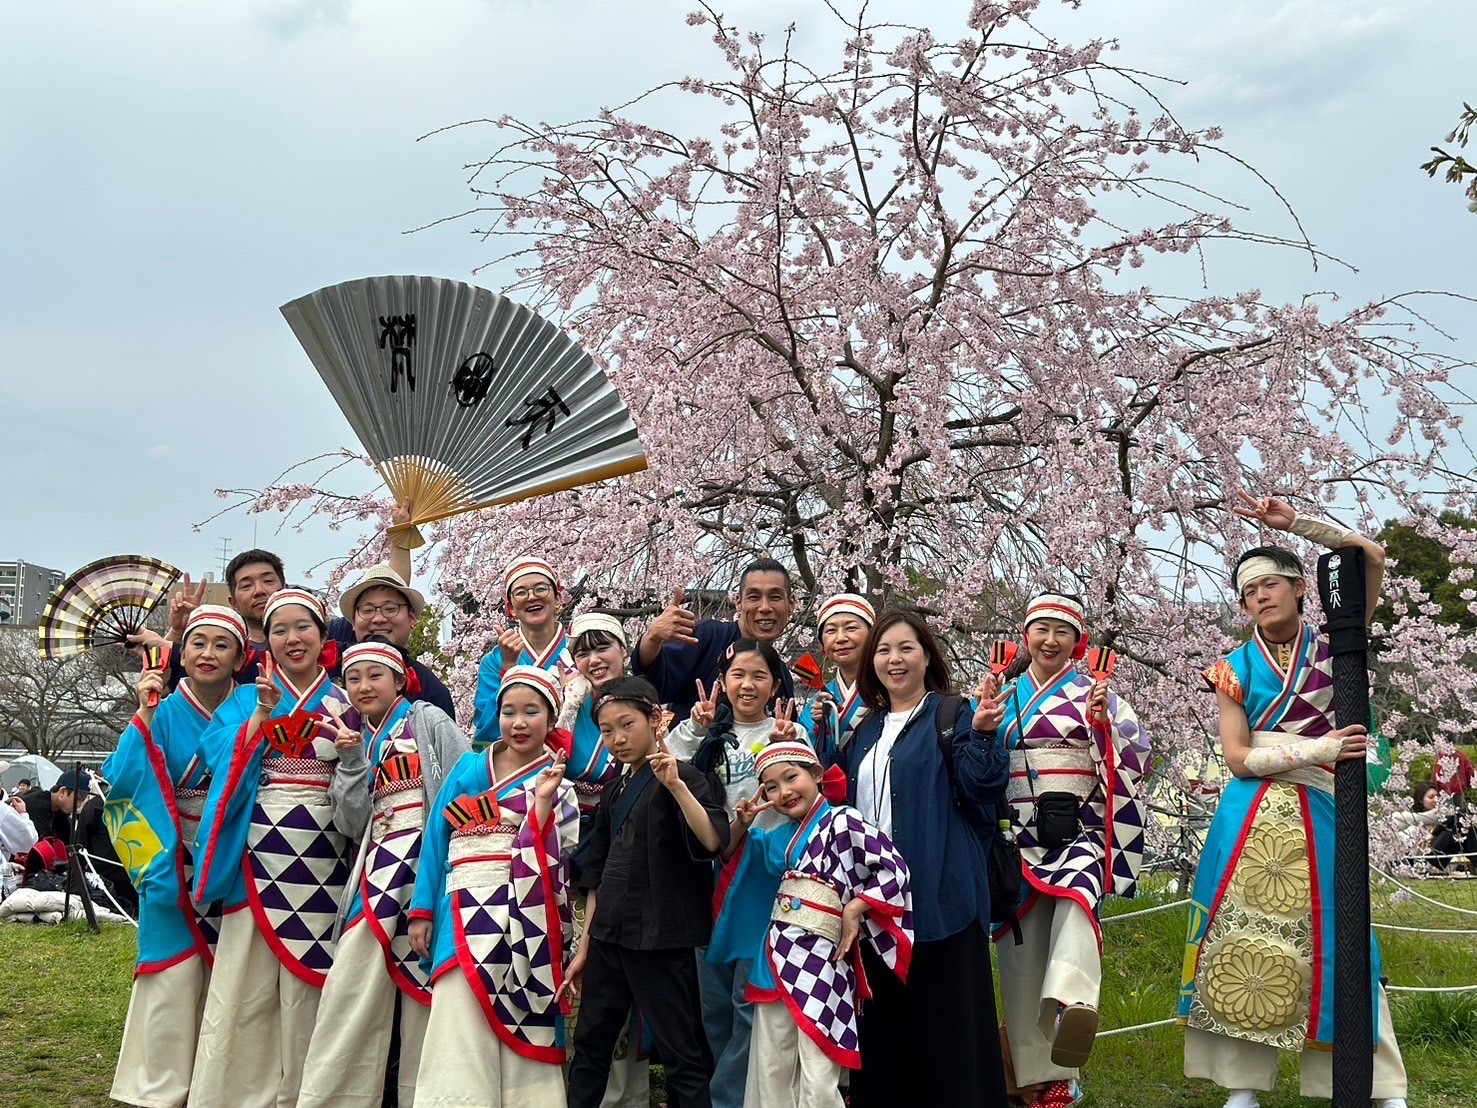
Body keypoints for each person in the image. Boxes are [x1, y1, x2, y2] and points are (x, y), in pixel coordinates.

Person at [1180, 492, 1408, 1108]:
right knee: (1241, 940)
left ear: (1302, 586)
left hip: (1327, 807)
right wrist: (1317, 748)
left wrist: (1297, 524)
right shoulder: (1230, 666)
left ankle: (1378, 1084)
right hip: (1250, 816)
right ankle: (1241, 1087)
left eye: (1273, 583)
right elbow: (1235, 756)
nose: (1261, 596)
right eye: (1250, 590)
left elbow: (1371, 555)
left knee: (1347, 938)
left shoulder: (1341, 642)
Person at [189, 588, 356, 1108]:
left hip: (328, 850)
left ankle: (308, 1095)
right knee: (246, 981)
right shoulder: (246, 697)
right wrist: (260, 716)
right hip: (256, 847)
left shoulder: (346, 698)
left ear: (323, 637)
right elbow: (216, 756)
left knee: (313, 983)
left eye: (302, 627)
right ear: (267, 640)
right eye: (279, 630)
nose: (291, 639)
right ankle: (234, 1095)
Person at [839, 609, 1010, 1108]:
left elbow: (983, 786)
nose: (894, 660)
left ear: (927, 656)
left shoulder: (951, 714)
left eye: (906, 648)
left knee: (954, 1043)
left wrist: (980, 734)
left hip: (941, 899)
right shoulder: (865, 729)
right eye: (884, 651)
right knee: (889, 1047)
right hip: (876, 908)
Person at [991, 592, 1150, 1107]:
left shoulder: (1096, 693)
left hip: (1076, 831)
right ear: (1026, 637)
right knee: (1020, 951)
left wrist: (1103, 724)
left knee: (1080, 898)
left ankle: (1069, 1002)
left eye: (1062, 632)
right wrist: (984, 716)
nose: (1050, 641)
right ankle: (1039, 1079)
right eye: (1042, 630)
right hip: (1017, 833)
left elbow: (1135, 755)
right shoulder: (1005, 693)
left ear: (1078, 644)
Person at [298, 639, 471, 1108]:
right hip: (377, 866)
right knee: (351, 983)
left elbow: (465, 787)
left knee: (423, 994)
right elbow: (350, 823)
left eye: (375, 675)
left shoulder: (428, 720)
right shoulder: (353, 736)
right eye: (353, 678)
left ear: (399, 680)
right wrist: (351, 760)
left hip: (428, 861)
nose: (363, 686)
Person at [405, 664, 580, 1106]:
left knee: (524, 1016)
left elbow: (559, 859)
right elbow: (436, 841)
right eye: (508, 711)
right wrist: (422, 909)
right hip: (459, 910)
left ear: (551, 717)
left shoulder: (560, 785)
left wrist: (540, 807)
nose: (518, 723)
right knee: (457, 1015)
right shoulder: (468, 767)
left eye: (531, 712)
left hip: (526, 919)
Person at [103, 605, 248, 1107]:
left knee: (233, 973)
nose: (208, 653)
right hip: (170, 852)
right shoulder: (160, 708)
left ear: (239, 658)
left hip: (232, 851)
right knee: (173, 971)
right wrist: (144, 712)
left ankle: (219, 1088)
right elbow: (123, 781)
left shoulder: (252, 705)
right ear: (180, 654)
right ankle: (160, 1089)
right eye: (197, 643)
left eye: (221, 645)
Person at [564, 676, 731, 1108]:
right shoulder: (614, 790)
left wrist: (675, 785)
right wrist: (586, 944)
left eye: (627, 724)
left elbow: (713, 841)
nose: (617, 739)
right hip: (609, 935)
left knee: (681, 1051)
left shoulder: (689, 778)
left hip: (660, 937)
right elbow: (596, 872)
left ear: (655, 720)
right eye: (606, 730)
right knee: (591, 1044)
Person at [736, 740, 913, 1108]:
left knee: (819, 1066)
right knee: (771, 1062)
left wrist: (854, 909)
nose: (783, 791)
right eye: (771, 786)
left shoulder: (844, 820)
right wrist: (743, 824)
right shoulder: (777, 837)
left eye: (791, 777)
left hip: (823, 960)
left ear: (817, 774)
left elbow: (895, 871)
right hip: (774, 954)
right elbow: (737, 866)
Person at [665, 640, 796, 1108]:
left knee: (748, 994)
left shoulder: (787, 732)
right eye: (738, 674)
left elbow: (808, 791)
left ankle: (731, 1098)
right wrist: (696, 728)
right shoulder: (706, 735)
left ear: (775, 685)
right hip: (712, 872)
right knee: (714, 1000)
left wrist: (788, 743)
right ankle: (733, 1087)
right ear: (723, 682)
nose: (748, 684)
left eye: (760, 675)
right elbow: (665, 766)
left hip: (766, 875)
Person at [554, 612, 652, 1108]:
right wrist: (567, 709)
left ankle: (628, 1094)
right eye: (583, 652)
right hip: (572, 845)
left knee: (620, 969)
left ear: (624, 649)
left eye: (604, 648)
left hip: (628, 846)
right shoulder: (569, 709)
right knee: (577, 964)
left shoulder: (641, 704)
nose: (594, 660)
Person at [632, 558, 797, 722]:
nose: (765, 607)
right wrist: (653, 637)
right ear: (738, 603)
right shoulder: (711, 637)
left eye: (775, 597)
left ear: (791, 604)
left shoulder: (780, 673)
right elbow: (653, 681)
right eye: (754, 597)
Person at [325, 562, 457, 717]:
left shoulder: (431, 689)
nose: (378, 618)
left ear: (411, 618)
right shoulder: (327, 660)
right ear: (353, 622)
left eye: (390, 609)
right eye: (367, 610)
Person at [471, 557, 574, 750]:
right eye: (520, 593)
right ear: (510, 608)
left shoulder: (580, 649)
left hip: (578, 762)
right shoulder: (494, 661)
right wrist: (508, 669)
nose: (532, 597)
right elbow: (487, 730)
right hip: (520, 768)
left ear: (559, 599)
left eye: (541, 589)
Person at [51, 768, 137, 917]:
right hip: (137, 883)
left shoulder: (95, 807)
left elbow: (78, 850)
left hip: (106, 885)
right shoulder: (141, 807)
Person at [801, 593, 875, 760]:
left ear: (872, 635)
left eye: (851, 628)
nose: (840, 638)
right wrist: (820, 728)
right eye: (831, 631)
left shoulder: (890, 691)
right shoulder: (816, 705)